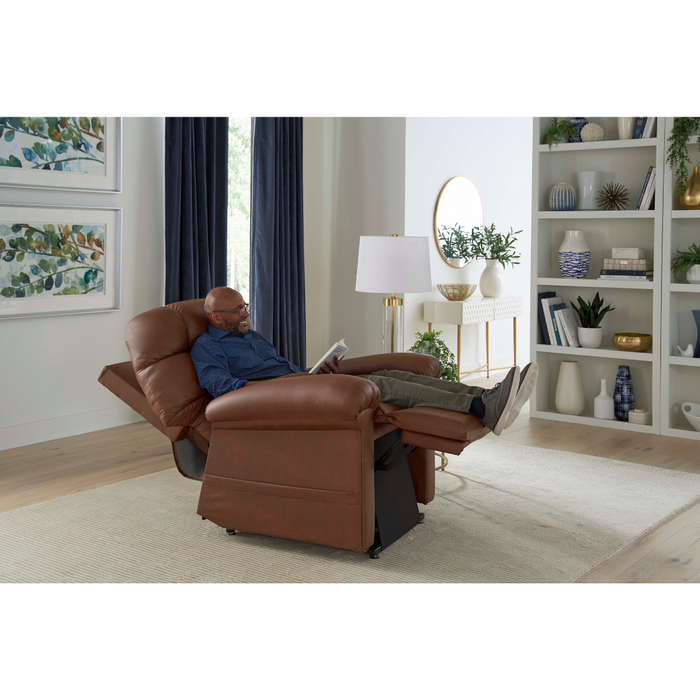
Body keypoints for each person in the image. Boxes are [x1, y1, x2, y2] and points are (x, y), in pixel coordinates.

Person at [190, 287, 538, 436]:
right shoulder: (206, 347)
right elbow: (222, 387)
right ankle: (479, 406)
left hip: (299, 383)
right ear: (215, 317)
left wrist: (314, 372)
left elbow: (285, 367)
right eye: (238, 310)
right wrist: (284, 385)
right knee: (380, 386)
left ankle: (486, 394)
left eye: (245, 306)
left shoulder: (250, 335)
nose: (245, 313)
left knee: (389, 373)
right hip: (277, 399)